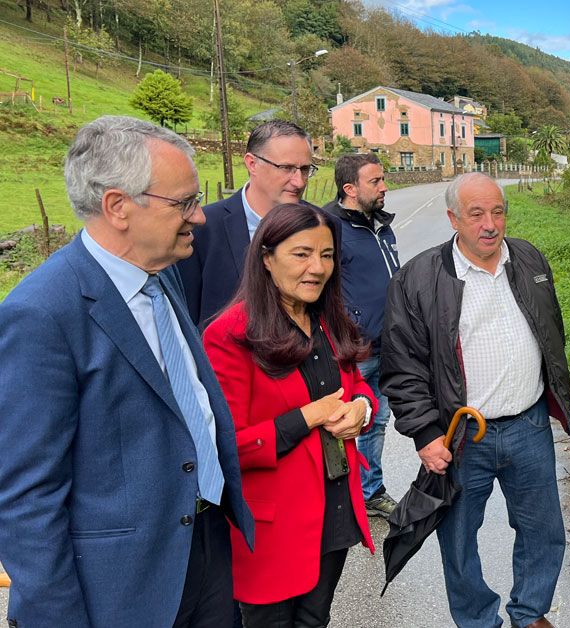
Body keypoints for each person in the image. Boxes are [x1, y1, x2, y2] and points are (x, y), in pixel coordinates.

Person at [0, 115, 254, 627]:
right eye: (184, 202)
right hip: (119, 588)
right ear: (118, 206)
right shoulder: (42, 313)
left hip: (203, 545)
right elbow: (25, 498)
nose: (199, 217)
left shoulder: (162, 274)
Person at [381, 172, 570, 628]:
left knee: (543, 531)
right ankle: (477, 620)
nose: (490, 224)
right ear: (452, 218)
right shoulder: (419, 278)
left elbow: (551, 332)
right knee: (459, 537)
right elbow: (401, 366)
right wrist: (427, 434)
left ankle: (530, 613)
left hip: (528, 426)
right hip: (462, 434)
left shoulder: (528, 259)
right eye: (476, 214)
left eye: (498, 211)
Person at [202, 203, 376, 627]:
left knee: (316, 620)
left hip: (334, 508)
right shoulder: (231, 335)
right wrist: (307, 416)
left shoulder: (327, 321)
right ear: (266, 256)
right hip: (274, 527)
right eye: (301, 254)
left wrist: (362, 408)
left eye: (327, 254)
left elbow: (354, 384)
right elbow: (225, 446)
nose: (317, 268)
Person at [179, 120, 319, 328]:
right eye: (286, 168)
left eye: (305, 169)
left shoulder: (323, 227)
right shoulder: (204, 228)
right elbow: (188, 316)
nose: (299, 182)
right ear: (252, 164)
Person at [322, 153, 400, 518]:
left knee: (377, 420)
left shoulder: (382, 225)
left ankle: (369, 491)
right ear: (350, 189)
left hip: (388, 343)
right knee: (344, 422)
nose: (384, 187)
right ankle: (339, 498)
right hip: (354, 348)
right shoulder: (329, 227)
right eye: (375, 182)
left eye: (383, 179)